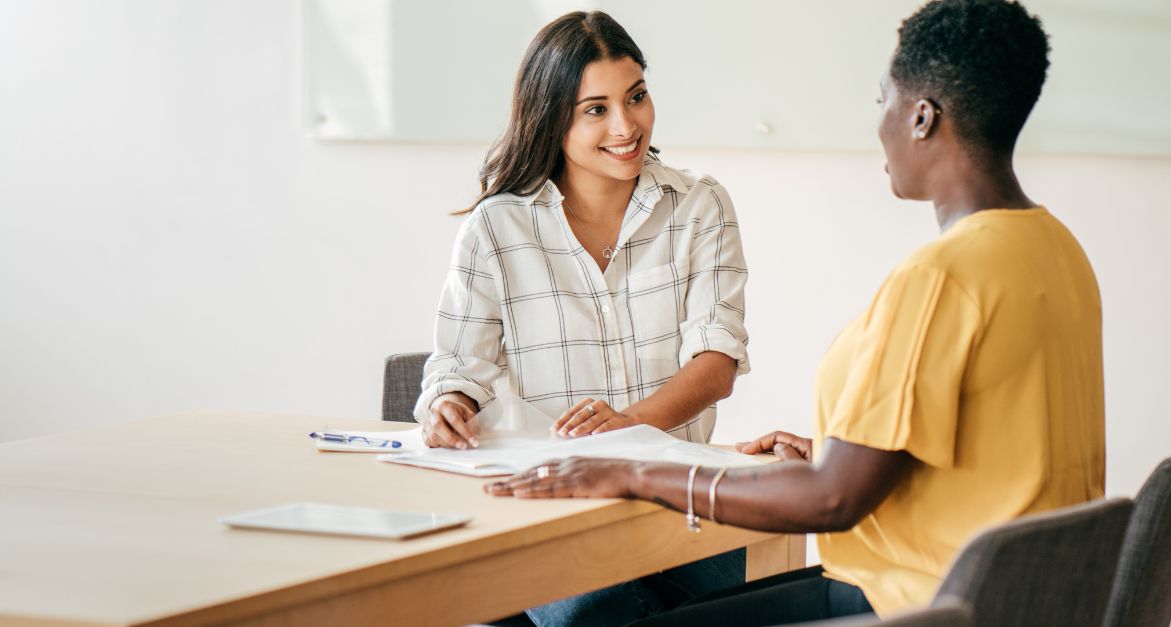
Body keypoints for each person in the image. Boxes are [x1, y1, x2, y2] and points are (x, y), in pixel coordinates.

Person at [486, 1, 1106, 625]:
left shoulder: (940, 279)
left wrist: (634, 474)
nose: (880, 123)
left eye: (881, 100)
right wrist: (837, 454)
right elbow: (995, 452)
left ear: (921, 118)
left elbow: (832, 502)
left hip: (913, 603)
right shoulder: (1056, 249)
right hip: (1016, 598)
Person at [413, 11, 751, 627]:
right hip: (552, 509)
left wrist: (628, 429)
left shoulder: (700, 205)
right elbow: (459, 365)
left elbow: (716, 363)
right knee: (596, 614)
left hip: (678, 503)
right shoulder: (495, 228)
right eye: (595, 109)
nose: (627, 126)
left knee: (732, 604)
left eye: (637, 97)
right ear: (551, 118)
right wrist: (449, 402)